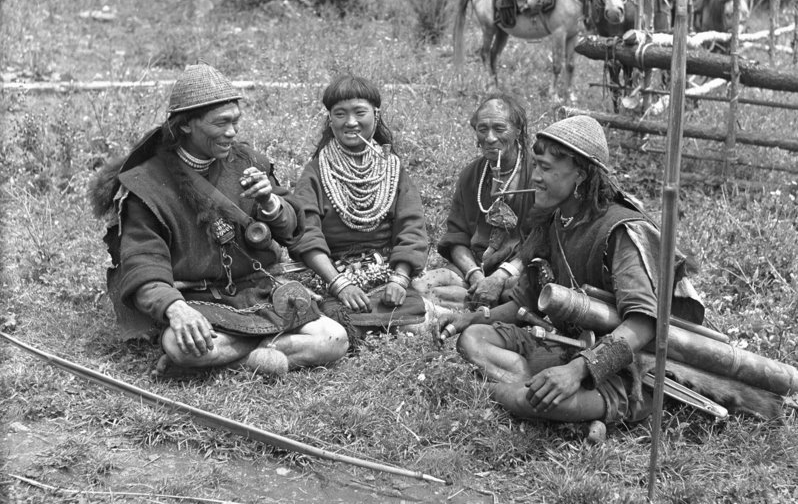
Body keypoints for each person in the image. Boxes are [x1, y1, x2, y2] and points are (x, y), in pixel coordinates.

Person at [436, 114, 704, 426]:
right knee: (473, 339)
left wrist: (577, 371)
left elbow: (643, 324)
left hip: (623, 368)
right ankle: (539, 391)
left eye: (546, 168)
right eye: (536, 166)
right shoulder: (553, 221)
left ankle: (524, 393)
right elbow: (524, 303)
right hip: (566, 345)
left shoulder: (619, 231)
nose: (536, 177)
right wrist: (473, 318)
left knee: (530, 401)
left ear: (580, 175)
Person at [91, 63, 348, 379]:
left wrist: (270, 203)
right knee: (179, 344)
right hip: (198, 300)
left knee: (334, 339)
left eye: (235, 121)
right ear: (186, 125)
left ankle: (226, 361)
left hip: (258, 292)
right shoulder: (147, 186)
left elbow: (292, 230)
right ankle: (264, 351)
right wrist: (175, 309)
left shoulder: (247, 162)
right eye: (221, 123)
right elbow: (142, 264)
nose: (232, 132)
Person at [288, 75, 429, 345]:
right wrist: (339, 284)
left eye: (359, 112)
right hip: (329, 274)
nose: (350, 122)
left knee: (414, 319)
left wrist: (399, 279)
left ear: (376, 115)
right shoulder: (315, 171)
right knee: (332, 322)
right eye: (340, 114)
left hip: (383, 272)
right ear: (330, 120)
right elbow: (306, 233)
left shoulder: (393, 169)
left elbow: (411, 227)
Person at [415, 93, 539, 310]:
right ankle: (480, 304)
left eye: (499, 129)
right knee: (420, 287)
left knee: (518, 290)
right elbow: (457, 237)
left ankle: (477, 308)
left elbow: (542, 239)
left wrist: (500, 277)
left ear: (518, 130)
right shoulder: (471, 175)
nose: (490, 138)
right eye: (483, 129)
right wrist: (475, 276)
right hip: (475, 269)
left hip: (517, 269)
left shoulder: (538, 174)